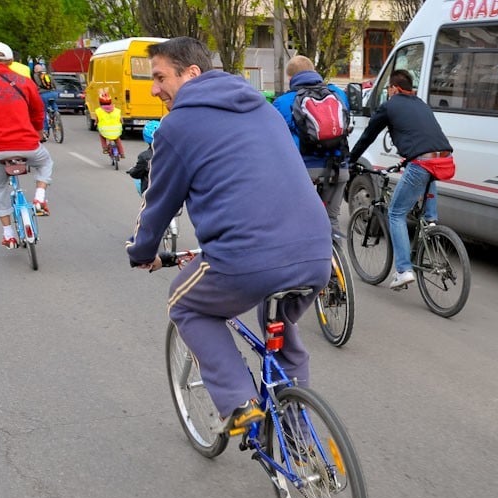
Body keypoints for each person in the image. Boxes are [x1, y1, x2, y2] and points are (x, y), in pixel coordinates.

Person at [126, 37, 331, 434]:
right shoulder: (263, 108)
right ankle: (297, 436)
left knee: (186, 305)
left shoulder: (177, 126)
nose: (154, 89)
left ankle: (239, 401)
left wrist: (141, 252)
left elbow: (159, 205)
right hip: (316, 251)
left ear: (192, 73)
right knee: (279, 325)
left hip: (246, 258)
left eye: (159, 77)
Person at [348, 69, 454, 289]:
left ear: (394, 88)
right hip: (444, 158)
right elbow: (424, 137)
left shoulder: (389, 106)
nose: (388, 92)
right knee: (427, 175)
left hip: (422, 162)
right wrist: (407, 160)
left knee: (396, 213)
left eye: (388, 88)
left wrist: (350, 160)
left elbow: (368, 136)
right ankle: (431, 223)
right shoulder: (421, 104)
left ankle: (403, 270)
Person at [0, 41, 54, 247]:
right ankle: (40, 197)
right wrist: (38, 134)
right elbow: (38, 112)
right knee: (45, 162)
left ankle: (8, 235)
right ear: (11, 61)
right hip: (28, 145)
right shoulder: (25, 82)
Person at [272, 55, 350, 238]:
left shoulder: (283, 102)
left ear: (290, 79)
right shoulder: (339, 95)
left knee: (297, 220)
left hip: (302, 170)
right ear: (315, 72)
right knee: (331, 220)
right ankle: (338, 263)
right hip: (339, 168)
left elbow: (275, 139)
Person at [127, 119, 160, 195]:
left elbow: (136, 173)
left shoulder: (144, 157)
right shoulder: (174, 153)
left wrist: (132, 171)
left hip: (152, 194)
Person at [95, 91, 124, 157]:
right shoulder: (117, 110)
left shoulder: (98, 111)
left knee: (102, 136)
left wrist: (96, 123)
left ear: (100, 102)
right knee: (117, 140)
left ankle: (105, 148)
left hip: (105, 131)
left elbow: (97, 120)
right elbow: (121, 120)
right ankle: (122, 153)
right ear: (110, 101)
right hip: (116, 130)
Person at [32, 64, 58, 135]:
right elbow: (54, 84)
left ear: (35, 70)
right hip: (54, 93)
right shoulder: (48, 75)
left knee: (44, 111)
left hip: (43, 95)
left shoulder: (35, 76)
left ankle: (45, 129)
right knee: (53, 103)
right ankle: (56, 114)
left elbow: (33, 87)